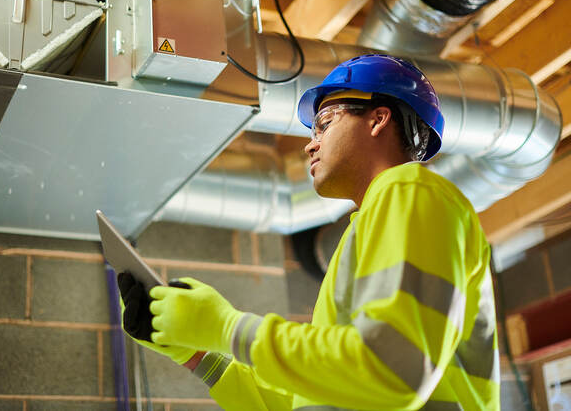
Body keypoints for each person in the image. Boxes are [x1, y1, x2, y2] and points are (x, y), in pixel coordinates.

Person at [118, 54, 500, 410]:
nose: (309, 145)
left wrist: (225, 327)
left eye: (324, 124)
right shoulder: (373, 222)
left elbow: (393, 369)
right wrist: (197, 353)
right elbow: (308, 398)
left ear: (378, 118)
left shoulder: (412, 192)